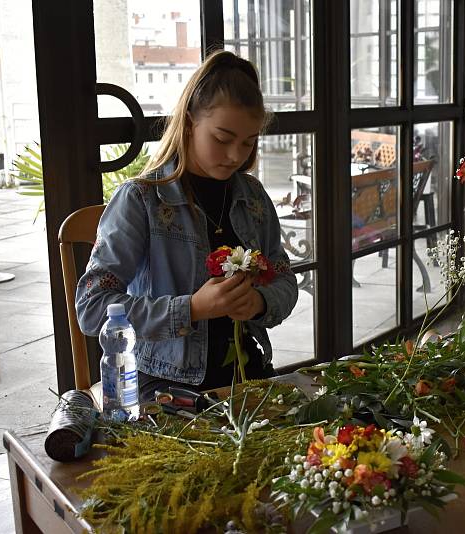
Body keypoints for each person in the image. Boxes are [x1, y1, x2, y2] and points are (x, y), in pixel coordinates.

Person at [76, 50, 298, 399]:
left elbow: (284, 278)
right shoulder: (142, 200)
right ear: (191, 120)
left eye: (249, 142)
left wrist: (259, 302)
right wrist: (192, 309)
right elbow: (92, 307)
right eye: (222, 139)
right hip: (164, 384)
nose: (236, 156)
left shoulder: (252, 197)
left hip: (246, 374)